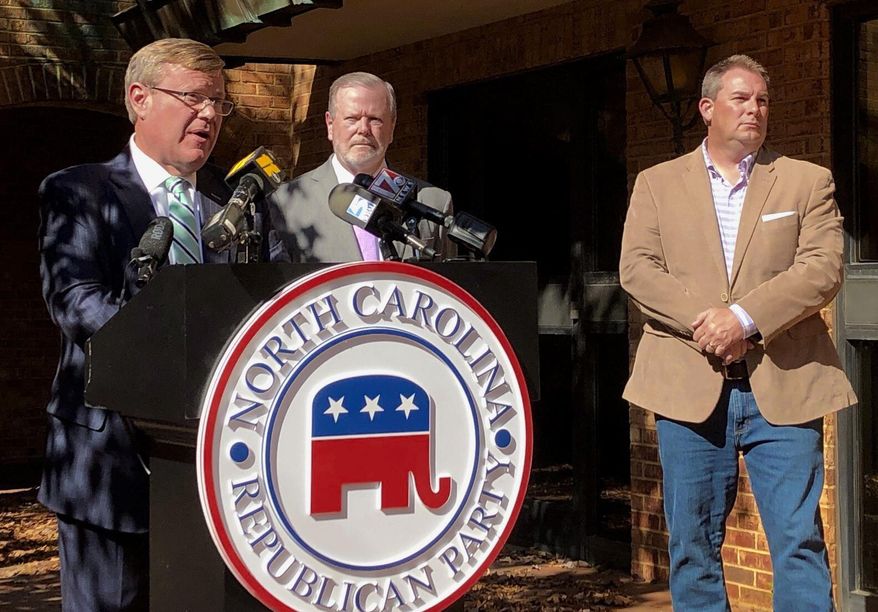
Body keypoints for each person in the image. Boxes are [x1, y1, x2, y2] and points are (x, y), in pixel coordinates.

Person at [38, 37, 285, 610]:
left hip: (228, 468)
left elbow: (270, 308)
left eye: (219, 104)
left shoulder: (241, 201)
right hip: (110, 466)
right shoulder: (79, 192)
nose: (209, 116)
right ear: (139, 98)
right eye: (193, 98)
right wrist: (180, 354)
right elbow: (76, 302)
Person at [619, 54, 857, 610]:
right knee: (693, 548)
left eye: (763, 101)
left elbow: (822, 268)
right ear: (707, 108)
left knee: (799, 543)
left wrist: (744, 320)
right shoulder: (656, 183)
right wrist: (709, 323)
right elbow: (637, 269)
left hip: (786, 384)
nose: (755, 109)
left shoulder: (805, 180)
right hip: (689, 388)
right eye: (741, 98)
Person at [270, 71, 453, 262]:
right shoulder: (285, 203)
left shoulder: (433, 201)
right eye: (352, 119)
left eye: (375, 119)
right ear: (330, 125)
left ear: (392, 127)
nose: (363, 129)